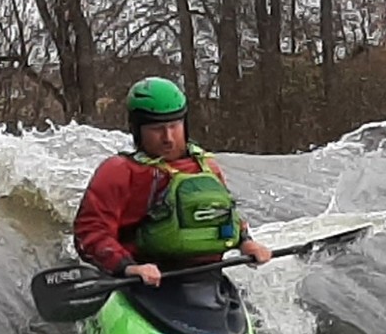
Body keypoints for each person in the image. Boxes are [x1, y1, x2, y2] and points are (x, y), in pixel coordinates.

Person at [73, 76, 273, 286]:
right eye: (156, 129)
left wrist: (245, 242)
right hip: (142, 281)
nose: (168, 137)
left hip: (205, 282)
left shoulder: (206, 167)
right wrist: (127, 267)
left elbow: (224, 214)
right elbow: (91, 232)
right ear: (137, 130)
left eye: (174, 126)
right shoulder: (118, 171)